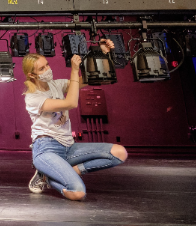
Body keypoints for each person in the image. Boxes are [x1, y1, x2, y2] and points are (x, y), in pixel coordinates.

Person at [22, 38, 128, 200]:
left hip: (69, 147)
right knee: (78, 193)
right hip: (46, 149)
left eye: (47, 65)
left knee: (119, 153)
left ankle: (66, 172)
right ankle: (49, 177)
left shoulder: (57, 85)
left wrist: (101, 53)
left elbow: (88, 78)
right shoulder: (32, 97)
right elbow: (70, 103)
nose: (47, 69)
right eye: (42, 68)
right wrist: (73, 71)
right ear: (32, 75)